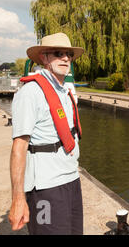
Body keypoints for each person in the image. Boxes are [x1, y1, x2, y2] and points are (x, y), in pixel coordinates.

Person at [8, 32, 85, 235]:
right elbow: (19, 148)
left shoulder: (64, 91)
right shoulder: (30, 93)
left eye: (68, 54)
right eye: (58, 53)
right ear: (44, 57)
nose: (66, 58)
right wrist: (18, 199)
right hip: (46, 188)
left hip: (71, 180)